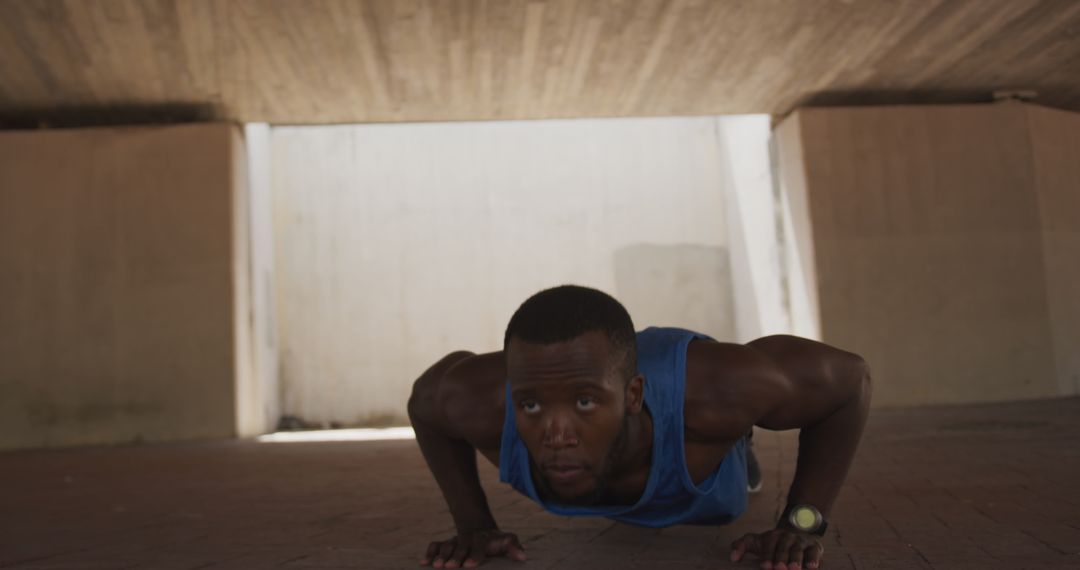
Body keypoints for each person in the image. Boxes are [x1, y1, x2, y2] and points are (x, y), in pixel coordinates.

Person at [408, 285, 871, 569]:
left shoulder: (721, 390)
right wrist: (474, 524)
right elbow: (423, 405)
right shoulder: (475, 400)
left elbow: (850, 381)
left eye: (585, 401)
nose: (557, 434)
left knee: (721, 424)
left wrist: (802, 524)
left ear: (633, 396)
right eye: (530, 405)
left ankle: (740, 442)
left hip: (705, 454)